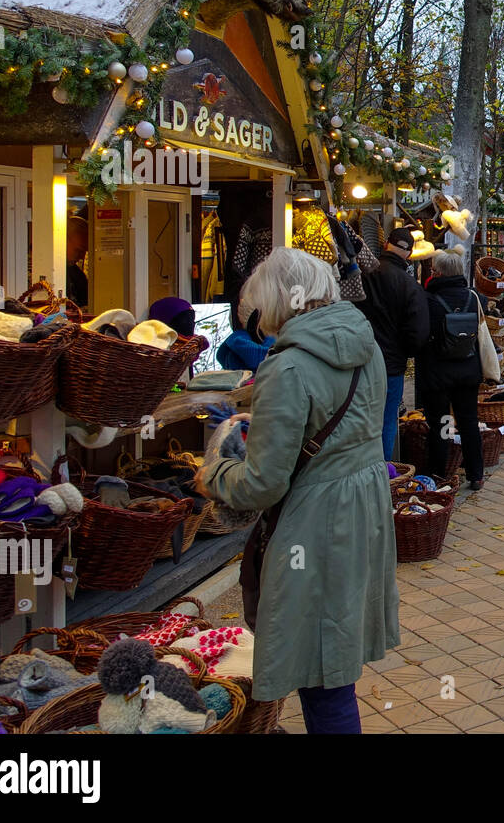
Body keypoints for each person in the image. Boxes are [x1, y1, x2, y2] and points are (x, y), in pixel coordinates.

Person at [197, 247, 397, 734]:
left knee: (320, 668)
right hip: (363, 506)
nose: (260, 321)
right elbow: (345, 424)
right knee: (333, 655)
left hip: (316, 521)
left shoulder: (286, 366)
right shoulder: (362, 342)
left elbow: (263, 483)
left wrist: (212, 476)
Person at [355, 228, 430, 461]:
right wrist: (404, 352)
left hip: (358, 361)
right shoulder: (408, 285)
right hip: (391, 366)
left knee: (357, 421)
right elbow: (418, 332)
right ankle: (382, 478)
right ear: (409, 253)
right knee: (387, 422)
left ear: (386, 244)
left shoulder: (361, 276)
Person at [416, 245, 487, 491]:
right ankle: (476, 474)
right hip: (467, 371)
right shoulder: (474, 297)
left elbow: (421, 333)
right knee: (468, 422)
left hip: (438, 373)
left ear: (437, 272)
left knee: (442, 424)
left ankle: (439, 474)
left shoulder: (427, 299)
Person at [66, 215, 89, 307]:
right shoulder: (40, 269)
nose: (82, 257)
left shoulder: (78, 276)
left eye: (85, 252)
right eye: (78, 250)